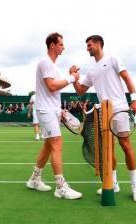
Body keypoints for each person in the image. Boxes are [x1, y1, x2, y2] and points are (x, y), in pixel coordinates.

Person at [70, 35, 136, 203]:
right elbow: (81, 90)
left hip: (120, 108)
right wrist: (74, 78)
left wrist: (134, 99)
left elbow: (127, 78)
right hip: (104, 111)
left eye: (89, 45)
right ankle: (114, 183)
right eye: (87, 46)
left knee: (125, 144)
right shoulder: (91, 70)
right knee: (107, 150)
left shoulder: (113, 59)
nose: (87, 48)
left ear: (98, 44)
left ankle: (135, 186)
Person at [26, 32, 82, 200]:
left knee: (48, 146)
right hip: (45, 111)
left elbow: (54, 90)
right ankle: (60, 187)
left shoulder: (53, 67)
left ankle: (34, 179)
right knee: (57, 143)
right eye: (61, 44)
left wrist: (60, 110)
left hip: (52, 110)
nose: (63, 47)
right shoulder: (45, 62)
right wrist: (71, 78)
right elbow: (51, 86)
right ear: (52, 45)